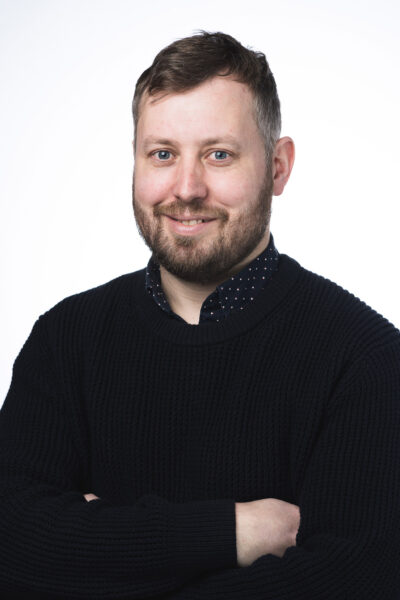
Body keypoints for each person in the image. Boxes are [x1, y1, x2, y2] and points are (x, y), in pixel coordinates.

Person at [0, 30, 399, 599]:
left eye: (219, 155)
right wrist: (231, 532)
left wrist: (94, 552)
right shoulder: (65, 340)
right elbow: (11, 544)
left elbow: (360, 580)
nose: (186, 189)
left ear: (278, 167)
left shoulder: (366, 361)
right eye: (162, 154)